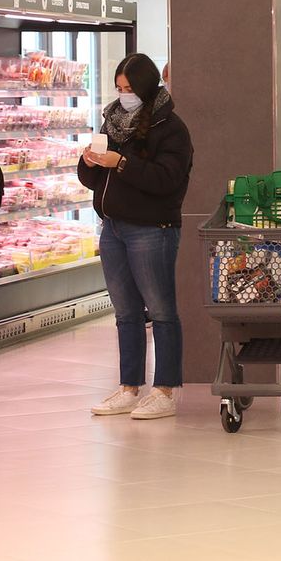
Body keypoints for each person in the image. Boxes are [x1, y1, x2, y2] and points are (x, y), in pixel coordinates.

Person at [80, 53, 194, 420]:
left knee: (161, 311)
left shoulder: (171, 128)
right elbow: (93, 181)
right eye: (119, 87)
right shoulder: (112, 122)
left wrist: (123, 163)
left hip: (152, 229)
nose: (123, 94)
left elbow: (167, 180)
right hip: (112, 227)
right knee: (125, 312)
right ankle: (129, 386)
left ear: (146, 87)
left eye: (129, 88)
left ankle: (166, 389)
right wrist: (89, 163)